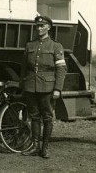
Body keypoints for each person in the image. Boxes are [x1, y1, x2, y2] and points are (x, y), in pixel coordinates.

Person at [20, 15, 67, 159]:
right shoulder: (30, 45)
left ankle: (44, 148)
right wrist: (23, 84)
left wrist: (58, 89)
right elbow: (24, 68)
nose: (39, 28)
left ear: (49, 27)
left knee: (47, 117)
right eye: (37, 26)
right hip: (31, 86)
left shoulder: (55, 46)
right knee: (34, 117)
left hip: (47, 87)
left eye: (42, 26)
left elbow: (61, 69)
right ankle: (35, 146)